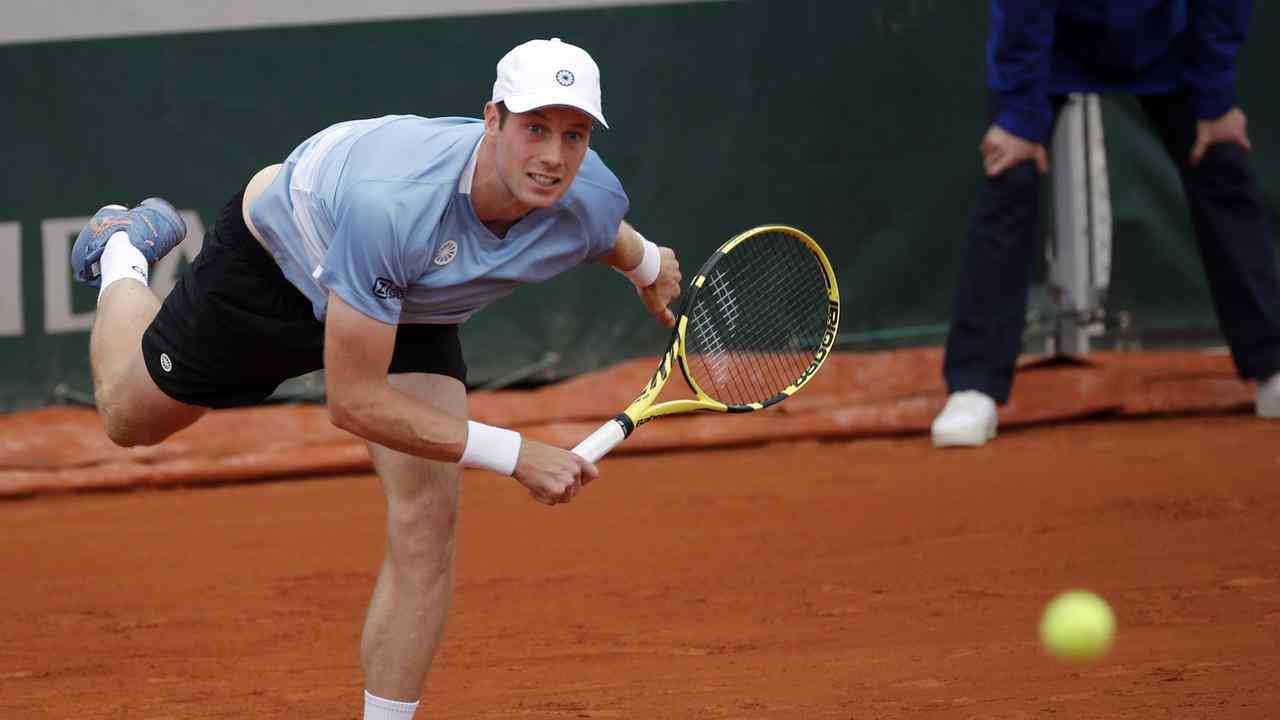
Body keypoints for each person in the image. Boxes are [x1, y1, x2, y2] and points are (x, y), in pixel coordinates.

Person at [69, 38, 682, 720]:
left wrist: (649, 269)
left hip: (409, 298)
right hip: (281, 262)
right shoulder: (395, 204)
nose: (552, 157)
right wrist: (517, 454)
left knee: (428, 517)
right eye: (534, 129)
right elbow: (355, 401)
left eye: (573, 136)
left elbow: (608, 233)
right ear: (492, 120)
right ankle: (122, 251)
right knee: (129, 419)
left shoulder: (589, 191)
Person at [931, 0, 1280, 448]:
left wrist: (1214, 98)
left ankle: (1271, 362)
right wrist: (1019, 115)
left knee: (1221, 158)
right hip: (1052, 42)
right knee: (1010, 174)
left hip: (1168, 45)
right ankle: (973, 384)